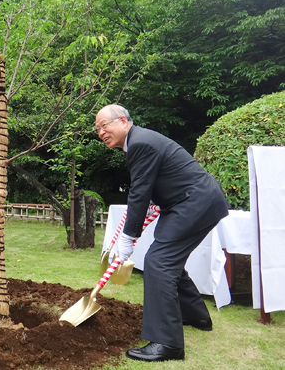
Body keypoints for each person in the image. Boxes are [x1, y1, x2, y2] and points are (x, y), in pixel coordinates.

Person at [95, 104, 229, 362]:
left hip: (193, 203)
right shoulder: (138, 142)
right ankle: (196, 316)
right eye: (97, 128)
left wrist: (127, 237)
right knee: (168, 261)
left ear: (123, 121)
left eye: (104, 125)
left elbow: (139, 192)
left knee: (159, 262)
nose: (101, 132)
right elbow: (147, 189)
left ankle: (167, 344)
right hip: (191, 202)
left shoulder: (140, 143)